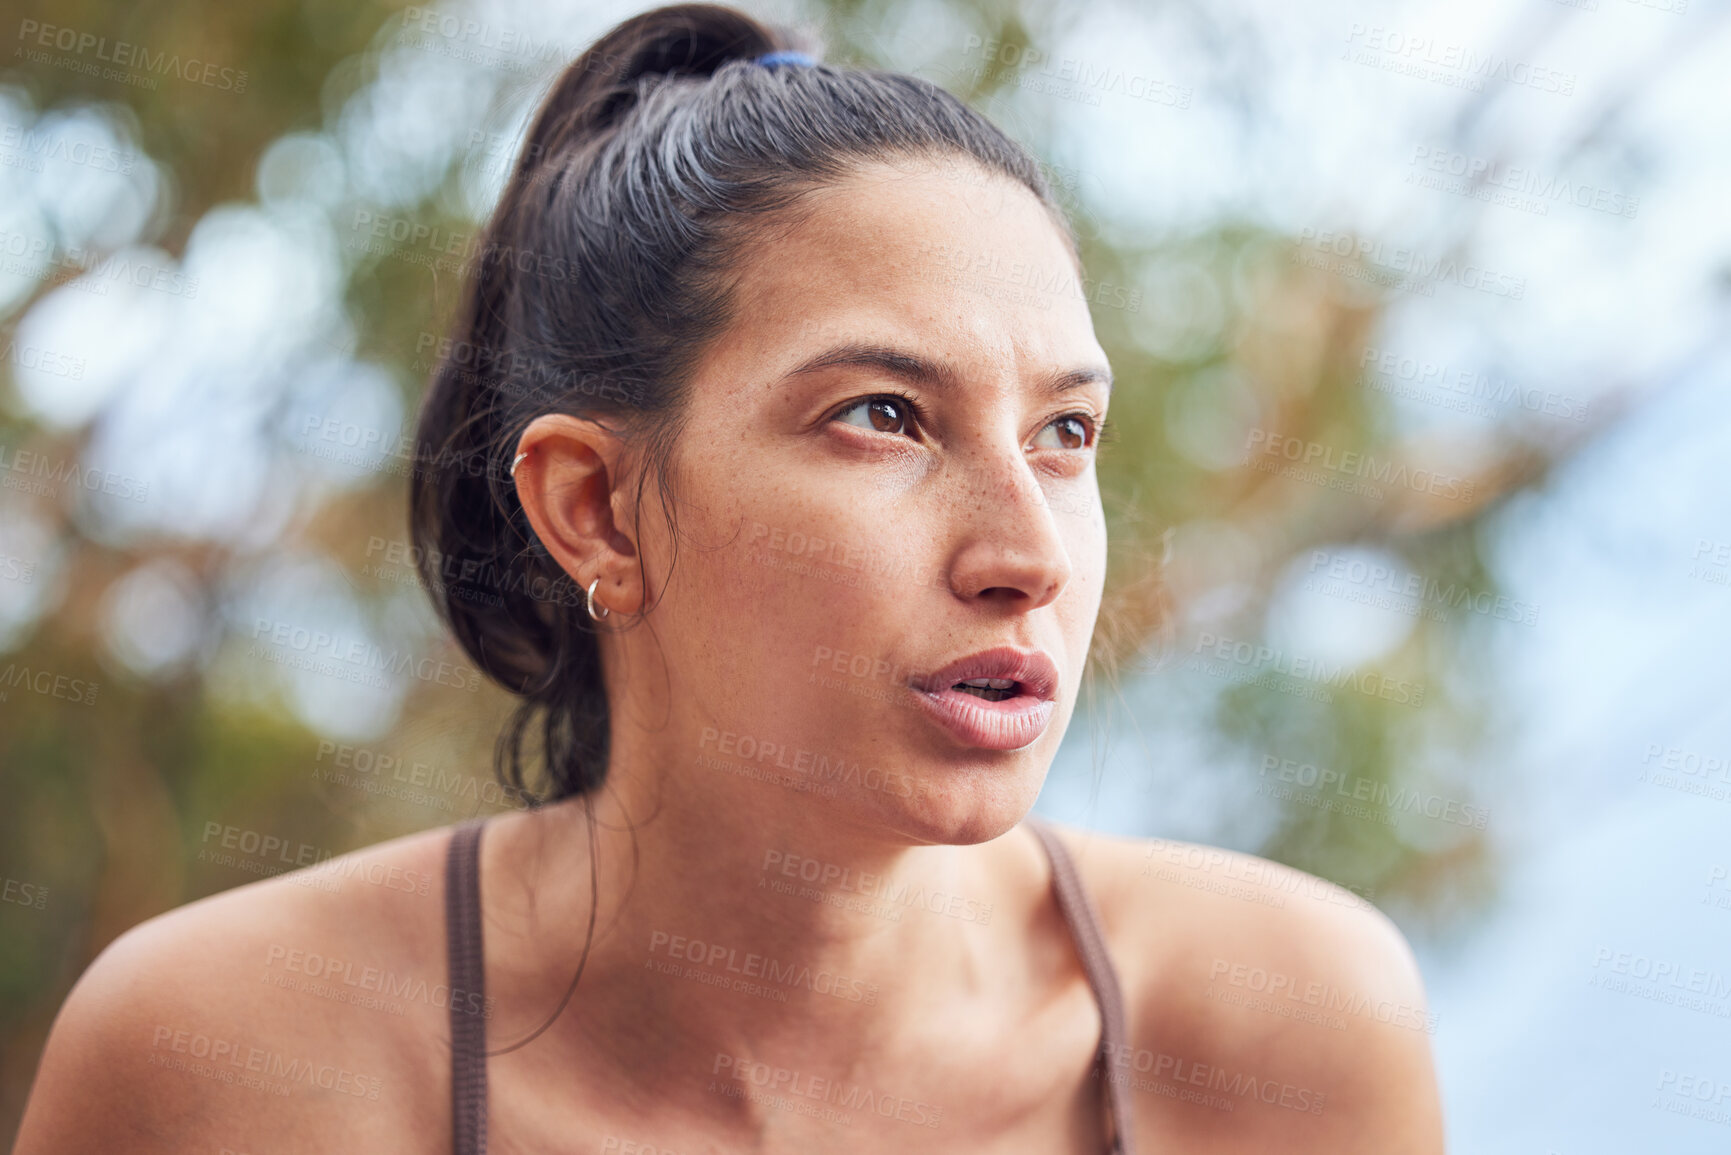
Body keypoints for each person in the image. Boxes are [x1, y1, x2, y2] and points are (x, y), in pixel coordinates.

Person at [13, 4, 1445, 1151]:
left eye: (1065, 433)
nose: (1026, 558)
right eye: (883, 415)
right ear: (598, 509)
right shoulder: (229, 1068)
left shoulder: (1287, 1038)